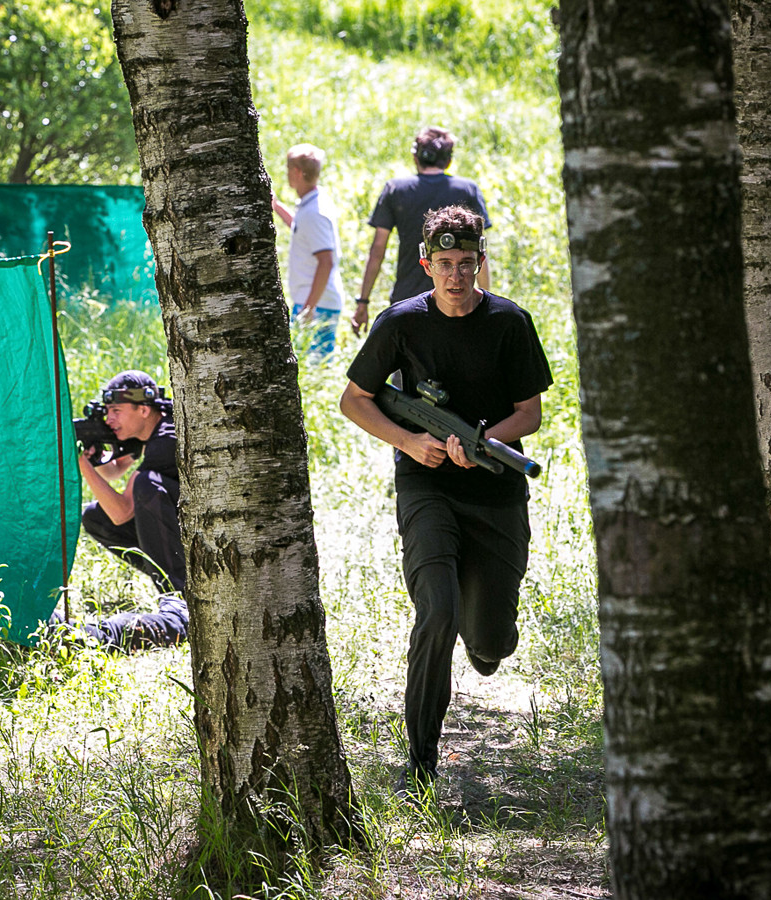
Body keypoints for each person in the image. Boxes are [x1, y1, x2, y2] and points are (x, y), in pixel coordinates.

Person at [338, 206, 553, 791]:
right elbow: (355, 400)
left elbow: (529, 413)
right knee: (437, 612)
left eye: (465, 263)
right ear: (425, 263)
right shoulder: (401, 323)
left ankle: (486, 644)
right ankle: (421, 760)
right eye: (444, 263)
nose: (456, 275)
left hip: (496, 495)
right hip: (426, 487)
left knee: (489, 639)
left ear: (480, 262)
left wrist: (479, 443)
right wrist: (409, 441)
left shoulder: (510, 322)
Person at [70, 369, 189, 651]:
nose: (109, 419)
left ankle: (180, 594)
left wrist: (81, 464)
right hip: (183, 528)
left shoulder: (166, 439)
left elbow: (122, 512)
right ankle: (169, 578)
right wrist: (95, 456)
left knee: (146, 487)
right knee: (95, 517)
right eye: (107, 412)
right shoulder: (150, 430)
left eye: (116, 411)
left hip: (201, 534)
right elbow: (114, 471)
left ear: (144, 410)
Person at [353, 126, 492, 335]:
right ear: (448, 160)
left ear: (415, 156)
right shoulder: (467, 190)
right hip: (459, 300)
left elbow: (377, 250)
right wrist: (486, 304)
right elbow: (480, 252)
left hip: (407, 300)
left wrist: (363, 301)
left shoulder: (396, 189)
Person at [271, 143, 347, 358]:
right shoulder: (313, 202)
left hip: (317, 305)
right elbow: (300, 227)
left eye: (288, 169)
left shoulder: (314, 212)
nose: (287, 174)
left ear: (297, 172)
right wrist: (276, 206)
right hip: (314, 301)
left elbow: (326, 261)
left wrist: (309, 308)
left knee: (313, 364)